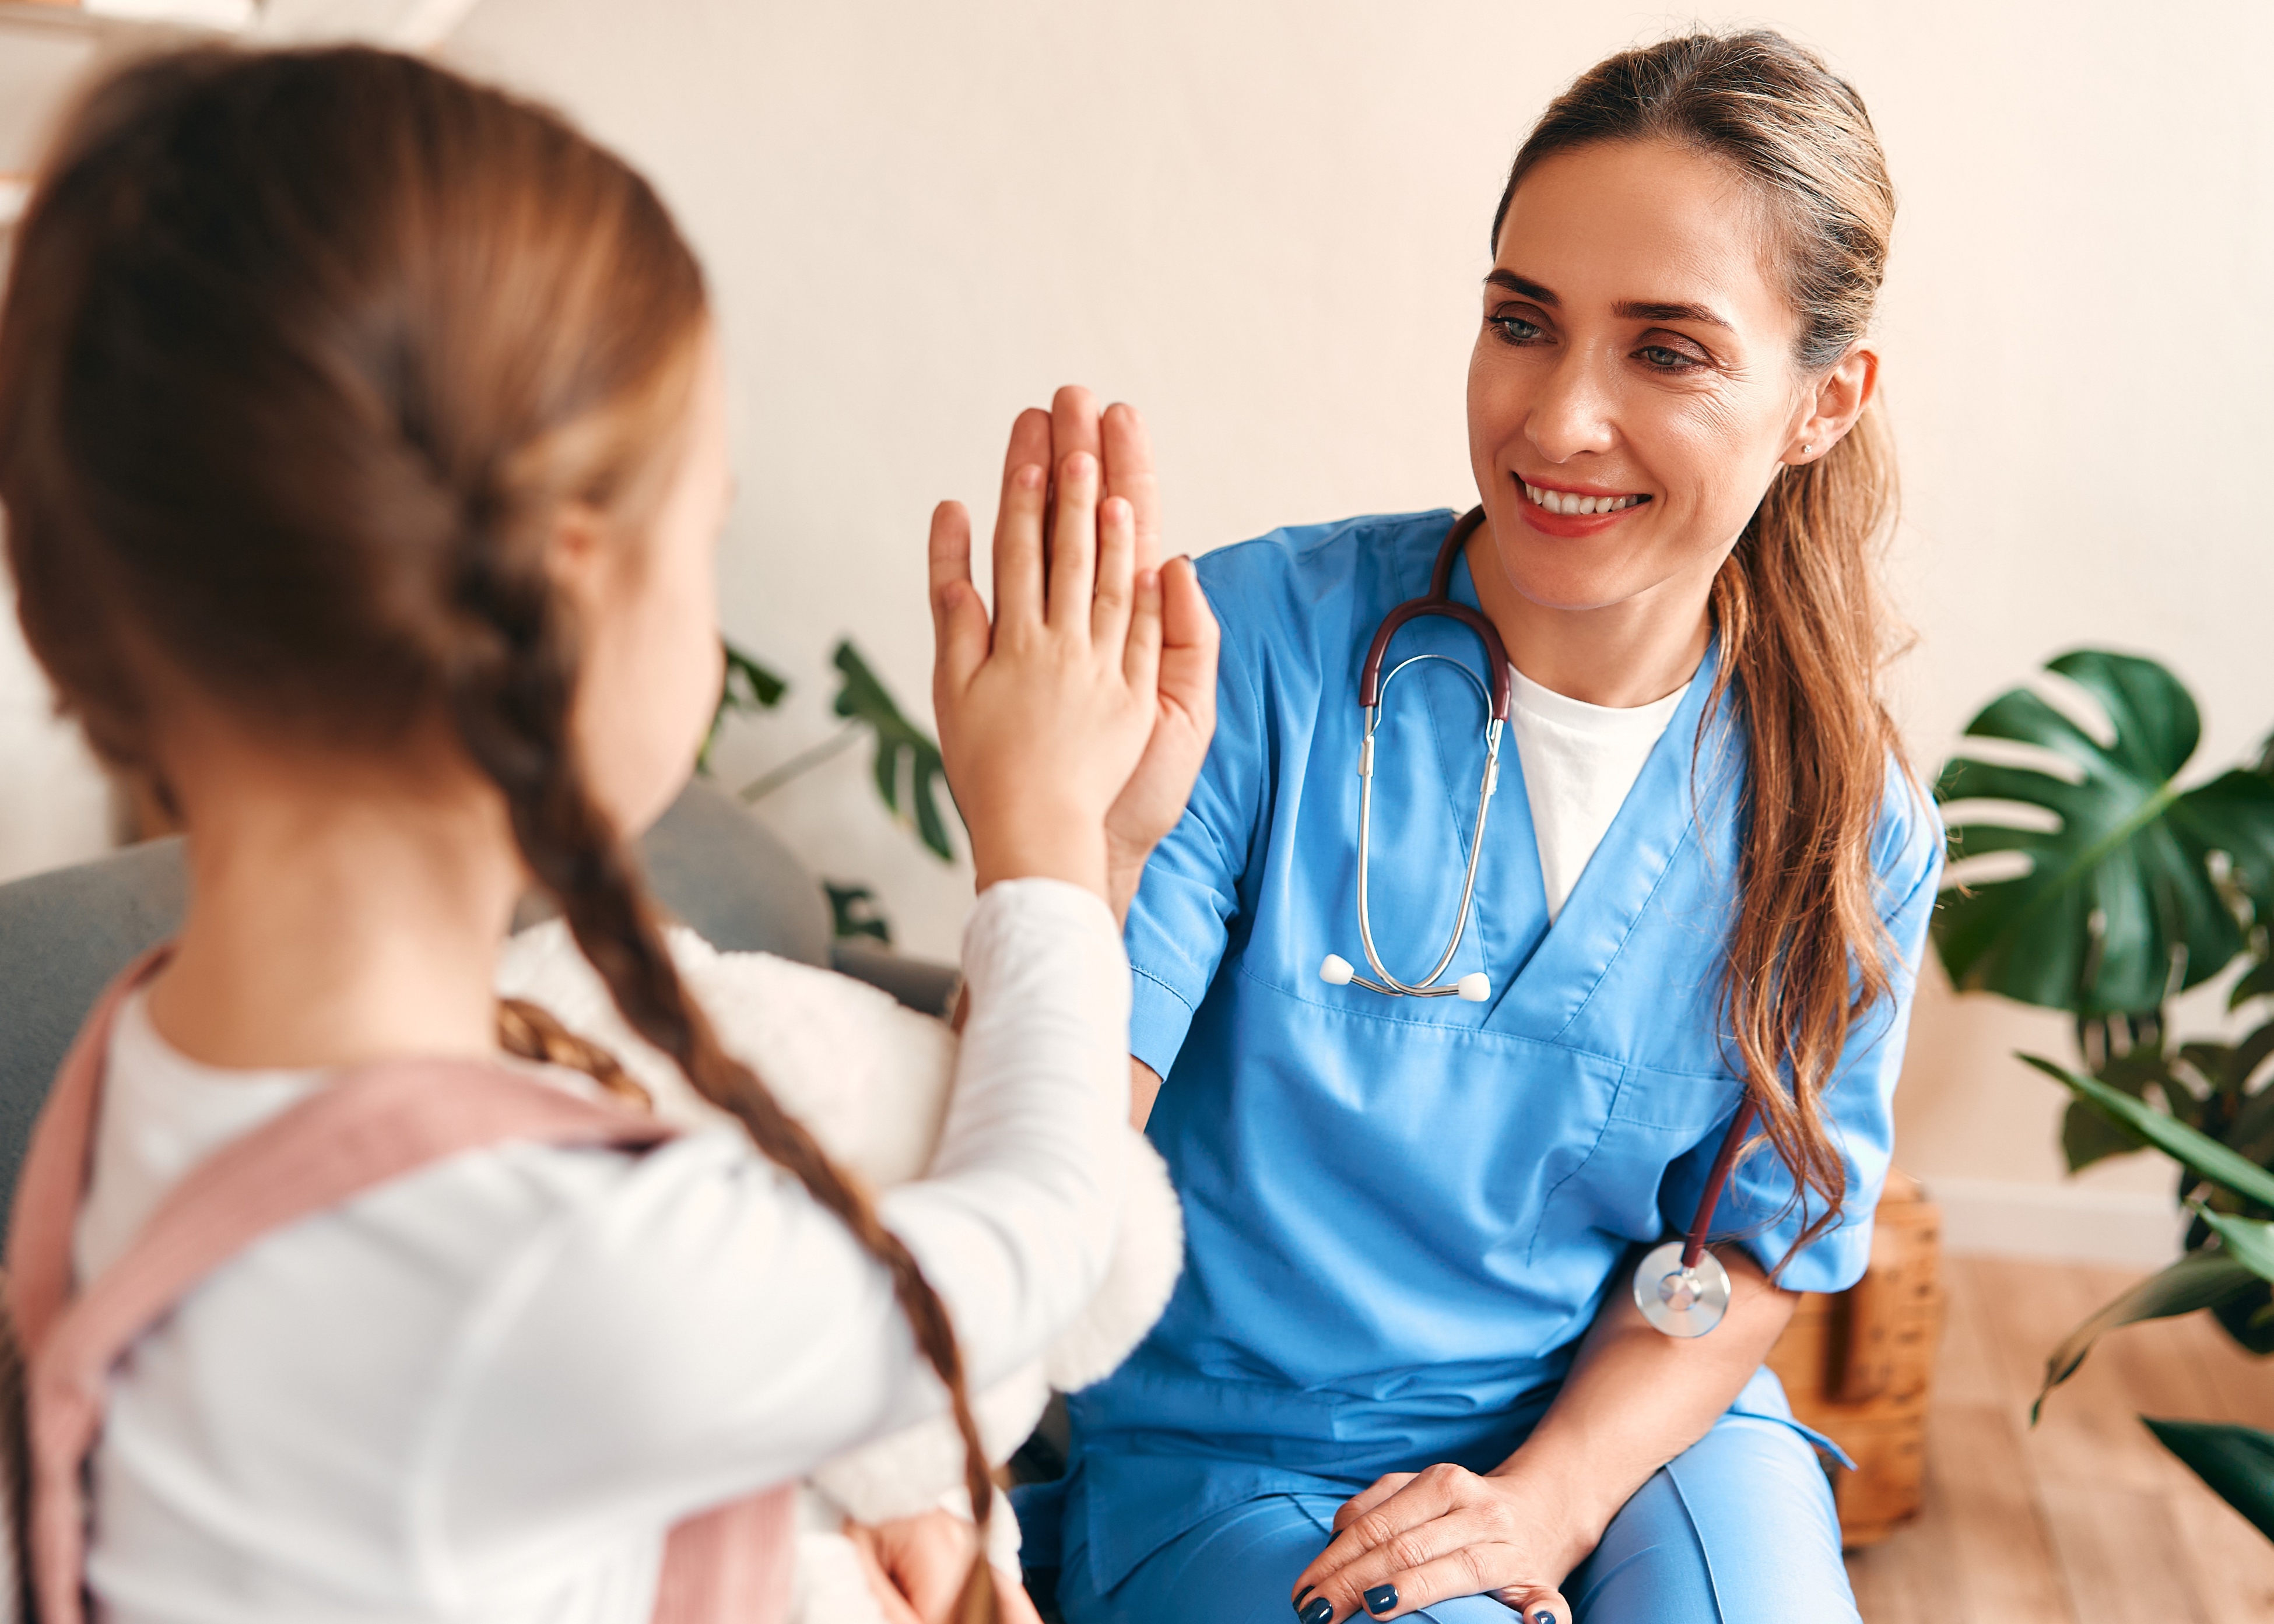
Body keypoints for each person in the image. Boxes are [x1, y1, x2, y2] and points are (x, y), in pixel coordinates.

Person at [0, 45, 1215, 1624]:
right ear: (565, 597)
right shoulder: (529, 1256)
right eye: (700, 534)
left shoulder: (143, 1065)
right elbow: (1031, 1250)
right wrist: (1042, 844)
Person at [1013, 30, 1942, 1624]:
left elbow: (1749, 1245)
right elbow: (1048, 1140)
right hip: (1248, 1457)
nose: (1559, 417)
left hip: (1629, 1431)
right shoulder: (1246, 657)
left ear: (1820, 402)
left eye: (1666, 351)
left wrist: (1549, 1495)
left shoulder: (1841, 817)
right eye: (1523, 322)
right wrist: (1049, 836)